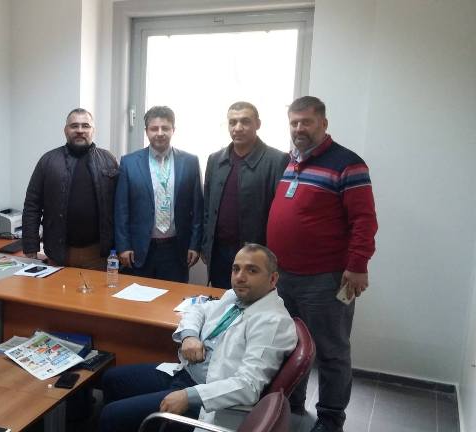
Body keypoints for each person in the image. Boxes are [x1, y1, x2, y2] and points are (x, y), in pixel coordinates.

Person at [267, 96, 378, 432]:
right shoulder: (290, 162)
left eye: (307, 122)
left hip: (325, 279)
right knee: (290, 346)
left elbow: (364, 220)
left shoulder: (348, 164)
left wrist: (357, 265)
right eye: (294, 122)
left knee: (331, 352)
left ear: (323, 124)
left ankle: (330, 419)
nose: (299, 128)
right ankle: (292, 406)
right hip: (284, 277)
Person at [98, 244, 297, 431]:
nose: (240, 277)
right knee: (111, 379)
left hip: (208, 398)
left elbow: (248, 386)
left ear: (273, 279)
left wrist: (189, 396)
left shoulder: (273, 322)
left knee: (111, 415)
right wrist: (189, 336)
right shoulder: (235, 296)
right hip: (185, 373)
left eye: (252, 270)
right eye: (236, 269)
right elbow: (198, 309)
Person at [202, 101, 289, 289]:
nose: (238, 128)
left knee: (253, 303)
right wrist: (205, 245)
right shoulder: (215, 159)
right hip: (219, 252)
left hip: (256, 254)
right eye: (232, 122)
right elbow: (207, 207)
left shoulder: (277, 160)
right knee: (221, 302)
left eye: (245, 121)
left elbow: (281, 215)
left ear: (258, 124)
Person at [114, 106, 203, 282]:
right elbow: (121, 208)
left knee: (173, 297)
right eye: (154, 128)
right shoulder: (129, 162)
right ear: (146, 131)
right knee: (137, 296)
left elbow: (198, 208)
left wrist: (195, 245)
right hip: (139, 249)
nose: (160, 133)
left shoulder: (190, 162)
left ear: (173, 130)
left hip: (176, 249)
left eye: (165, 128)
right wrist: (123, 246)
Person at [22, 108, 119, 269]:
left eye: (85, 126)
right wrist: (30, 247)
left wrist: (123, 246)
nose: (80, 130)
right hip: (58, 254)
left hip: (98, 255)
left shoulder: (109, 160)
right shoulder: (48, 161)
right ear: (65, 130)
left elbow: (121, 207)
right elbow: (32, 206)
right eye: (74, 126)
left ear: (93, 130)